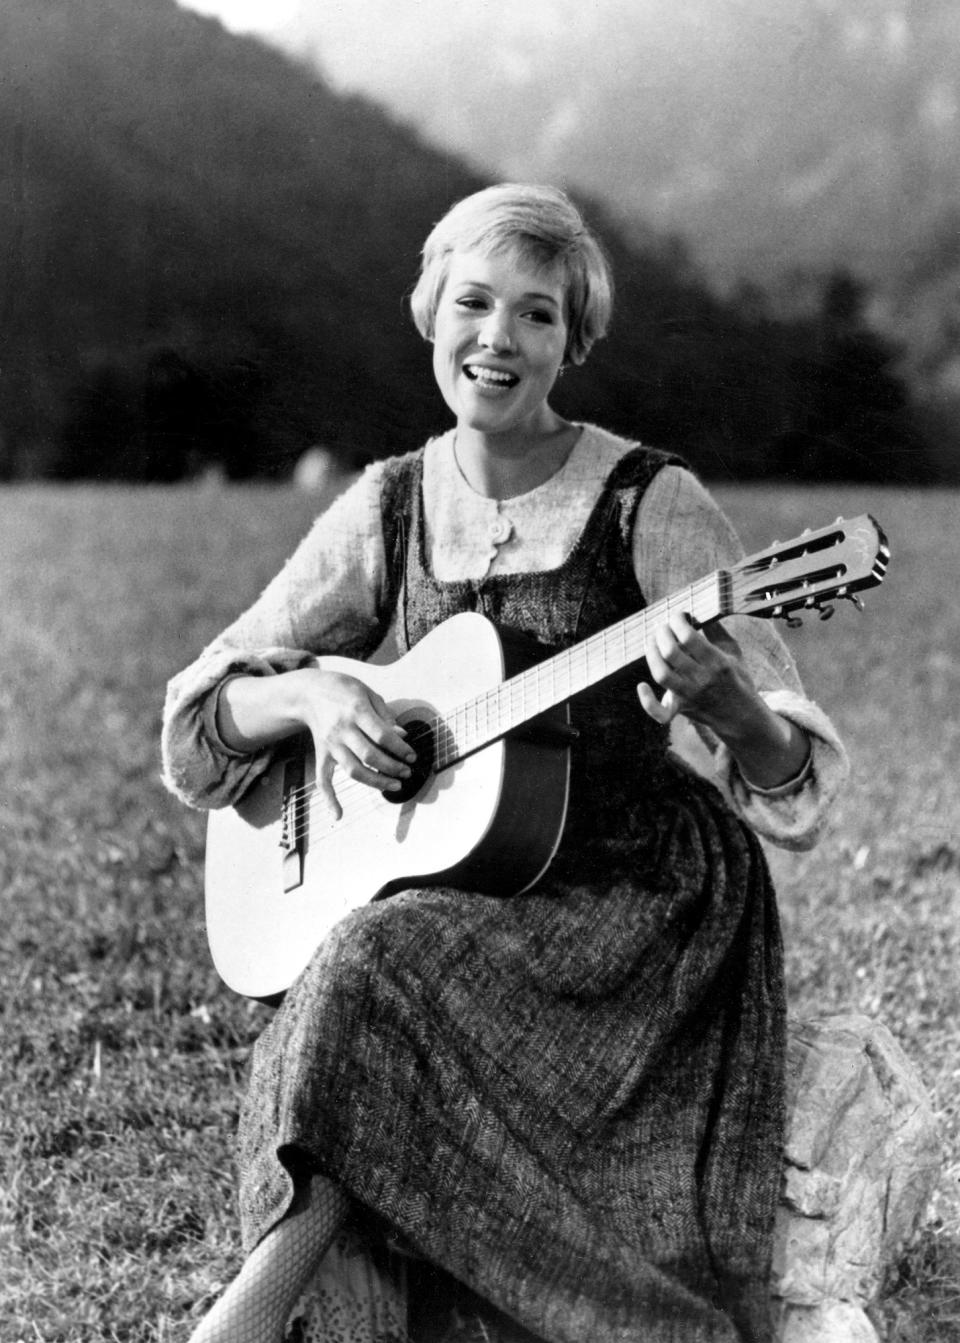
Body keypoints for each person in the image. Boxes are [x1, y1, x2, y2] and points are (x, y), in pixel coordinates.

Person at [162, 183, 849, 1343]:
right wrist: (317, 693)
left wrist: (731, 704)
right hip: (477, 884)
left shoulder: (651, 499)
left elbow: (792, 780)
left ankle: (249, 1313)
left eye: (537, 315)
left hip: (639, 900)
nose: (498, 338)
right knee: (367, 951)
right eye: (473, 302)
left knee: (371, 955)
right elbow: (199, 726)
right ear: (431, 313)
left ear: (571, 341)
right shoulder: (387, 502)